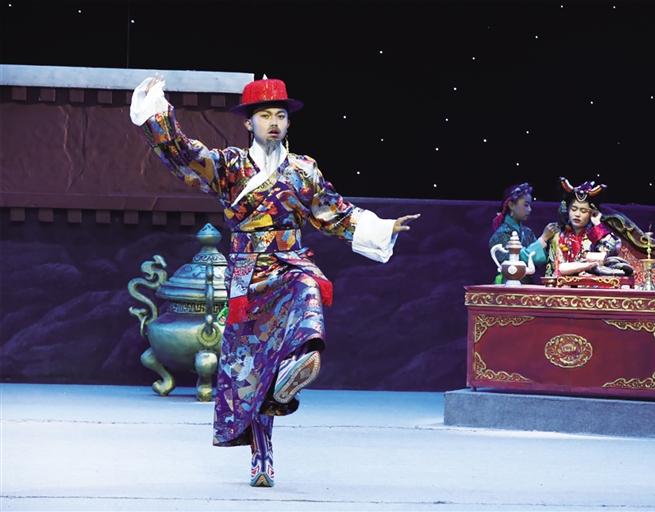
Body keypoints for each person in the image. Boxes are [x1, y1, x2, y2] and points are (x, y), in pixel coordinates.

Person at [129, 74, 419, 487]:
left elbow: (334, 212)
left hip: (290, 262)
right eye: (265, 116)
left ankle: (299, 364)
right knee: (252, 371)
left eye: (280, 116)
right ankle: (261, 456)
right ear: (249, 123)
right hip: (248, 274)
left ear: (288, 122)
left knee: (308, 288)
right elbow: (184, 153)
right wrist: (156, 108)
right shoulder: (230, 166)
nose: (274, 123)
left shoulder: (304, 170)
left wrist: (384, 227)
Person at [546, 177, 633, 277]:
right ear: (567, 210)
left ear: (591, 213)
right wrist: (586, 265)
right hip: (563, 282)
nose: (577, 214)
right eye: (574, 209)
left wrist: (597, 224)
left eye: (583, 211)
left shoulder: (593, 236)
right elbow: (555, 269)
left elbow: (611, 250)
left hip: (590, 283)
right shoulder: (558, 236)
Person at [489, 182, 558, 284]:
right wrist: (543, 239)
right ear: (511, 205)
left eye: (530, 205)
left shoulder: (527, 232)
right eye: (526, 205)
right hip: (507, 284)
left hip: (527, 284)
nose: (529, 209)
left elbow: (538, 259)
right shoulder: (501, 234)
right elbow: (517, 261)